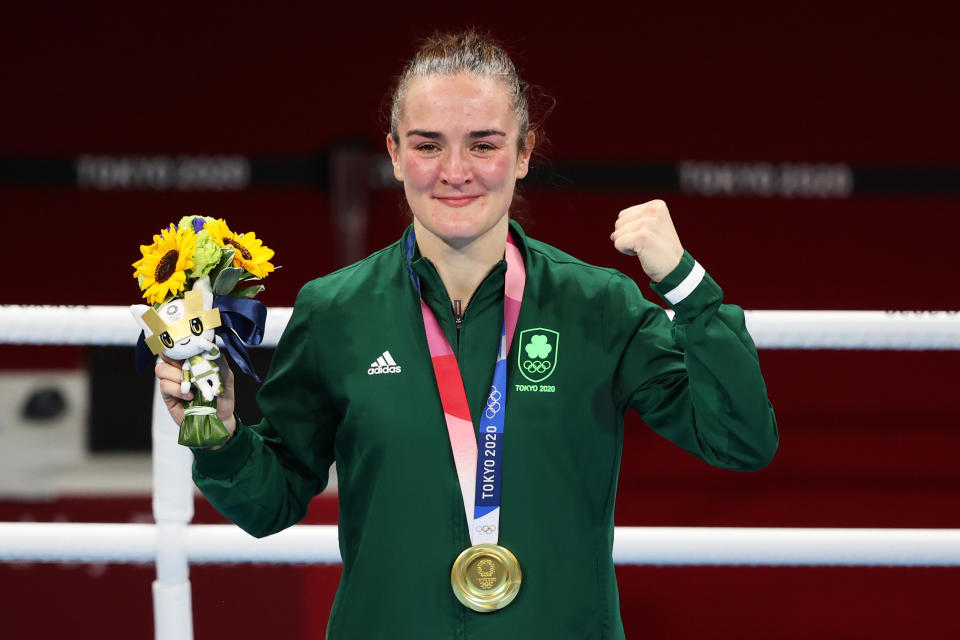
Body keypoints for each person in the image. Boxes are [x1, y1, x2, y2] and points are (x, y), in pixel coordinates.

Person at [155, 30, 778, 639]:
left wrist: (688, 287)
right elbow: (272, 505)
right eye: (429, 145)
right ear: (395, 153)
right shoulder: (334, 311)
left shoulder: (600, 305)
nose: (455, 171)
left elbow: (740, 442)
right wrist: (221, 438)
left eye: (484, 144)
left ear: (526, 152)